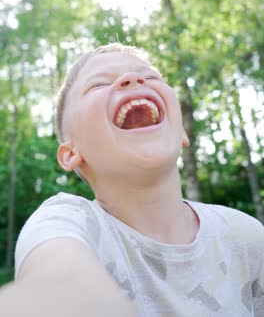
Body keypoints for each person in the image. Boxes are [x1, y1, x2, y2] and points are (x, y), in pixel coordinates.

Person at [0, 42, 263, 317]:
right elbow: (56, 284)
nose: (133, 79)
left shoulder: (245, 236)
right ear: (70, 154)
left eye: (149, 77)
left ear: (182, 132)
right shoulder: (66, 223)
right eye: (99, 84)